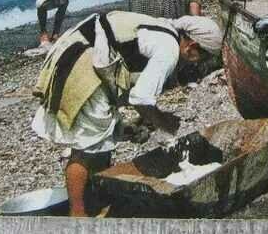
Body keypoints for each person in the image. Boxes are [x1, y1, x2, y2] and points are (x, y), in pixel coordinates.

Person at [32, 11, 222, 216]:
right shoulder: (169, 49)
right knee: (86, 149)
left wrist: (136, 122)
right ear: (192, 46)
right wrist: (163, 122)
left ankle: (94, 199)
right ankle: (78, 215)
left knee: (102, 140)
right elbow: (140, 98)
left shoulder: (167, 29)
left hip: (80, 52)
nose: (197, 63)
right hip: (83, 67)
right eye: (202, 57)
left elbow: (130, 75)